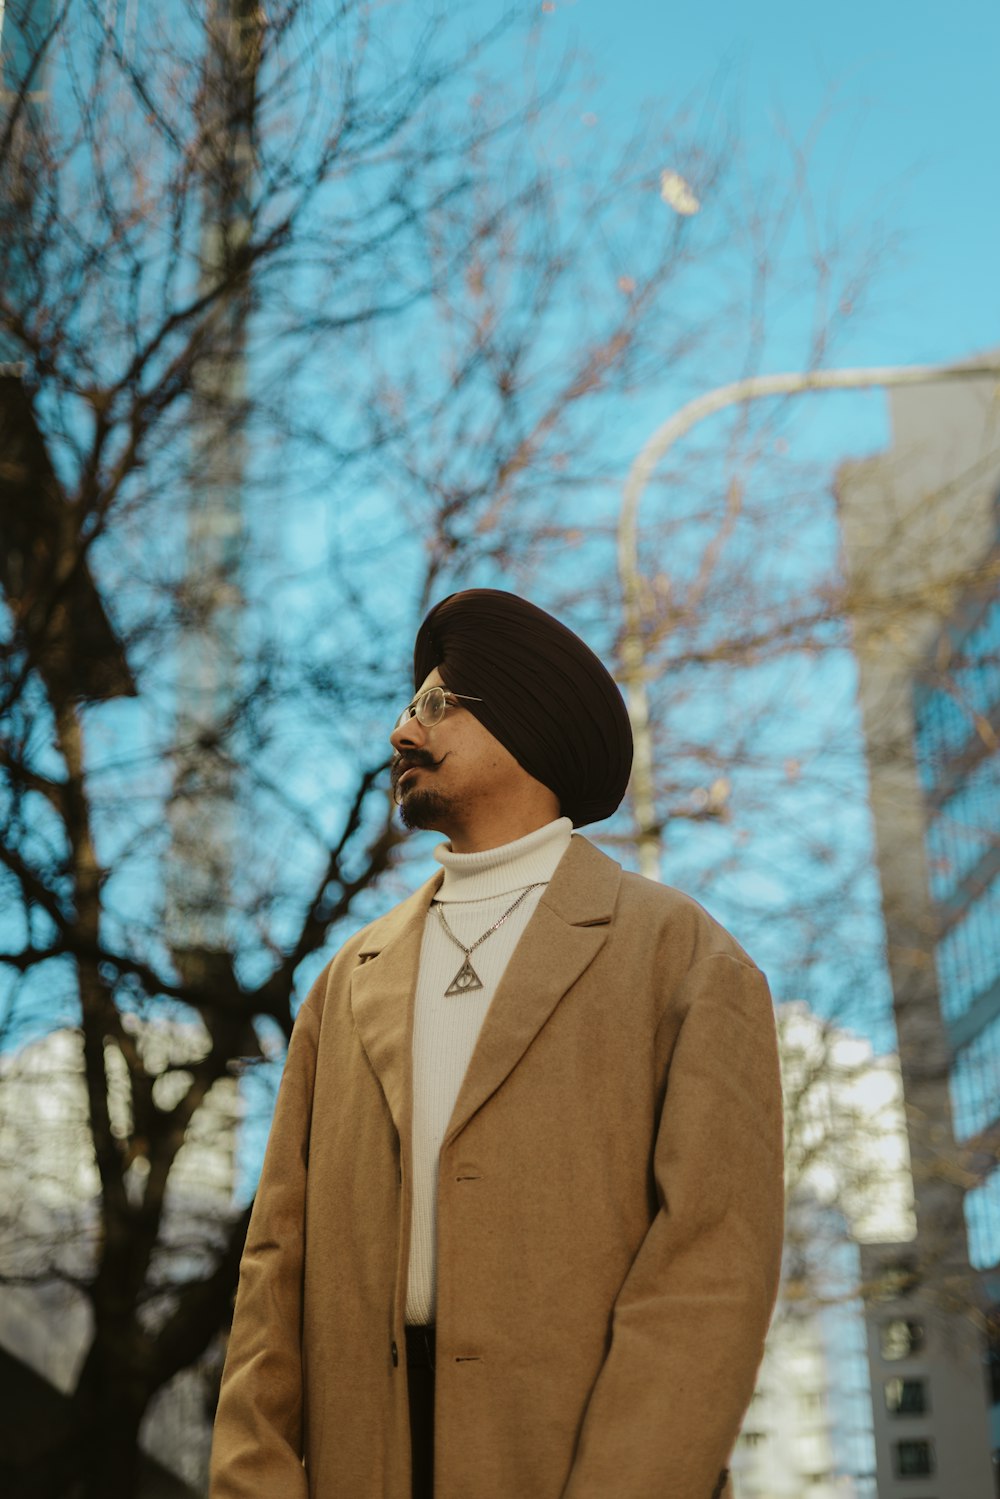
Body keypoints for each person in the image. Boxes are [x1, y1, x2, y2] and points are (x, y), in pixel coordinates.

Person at [209, 589, 784, 1499]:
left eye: (434, 704)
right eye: (409, 706)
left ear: (528, 720)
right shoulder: (346, 976)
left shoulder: (682, 957)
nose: (402, 731)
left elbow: (712, 1268)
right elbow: (273, 1272)